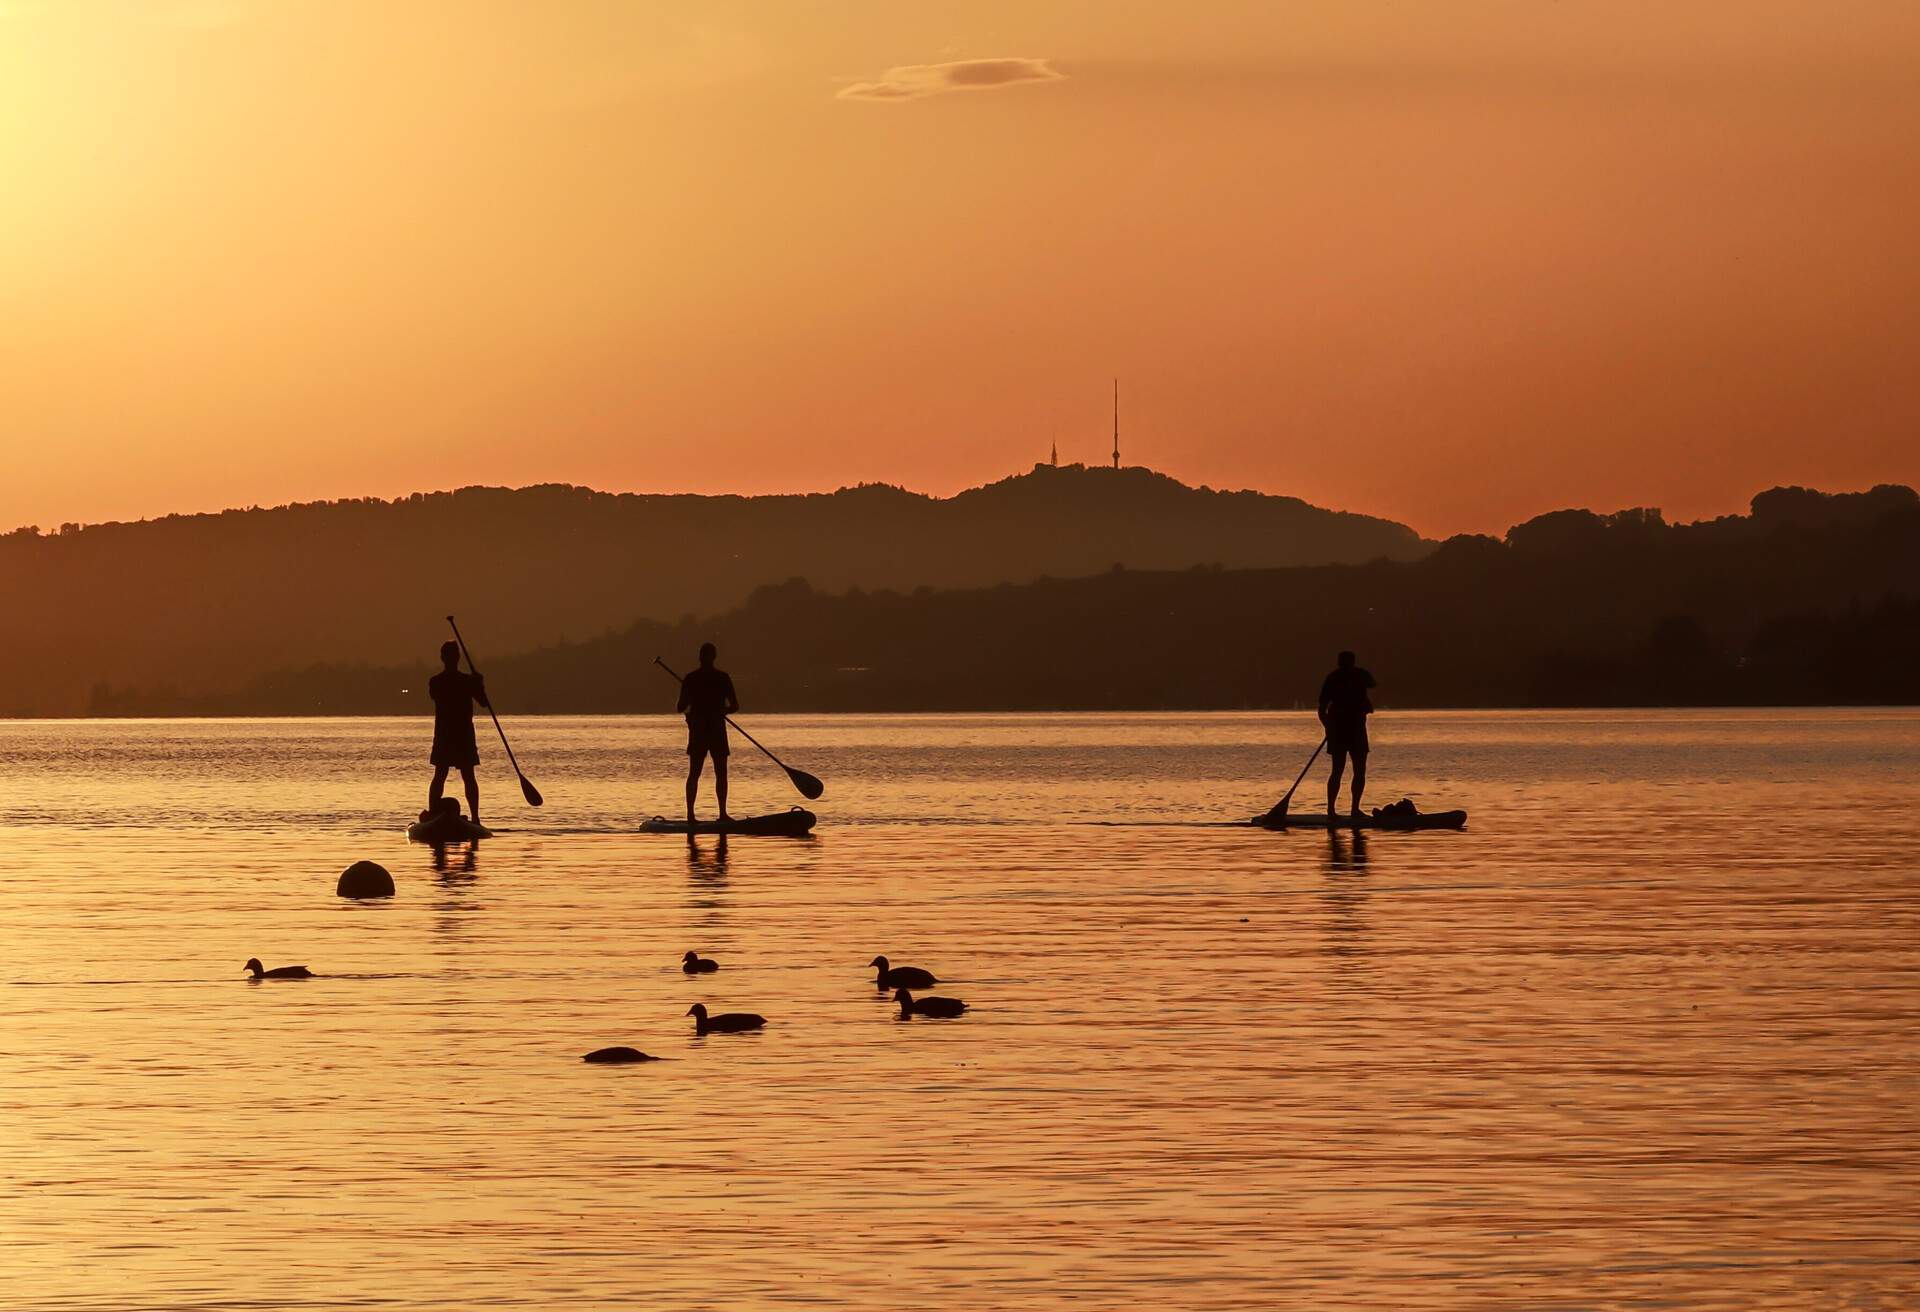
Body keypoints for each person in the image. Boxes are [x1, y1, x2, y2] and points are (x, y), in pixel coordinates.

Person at [428, 639, 489, 823]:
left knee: (464, 775)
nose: (451, 659)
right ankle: (434, 814)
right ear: (446, 658)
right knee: (442, 774)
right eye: (450, 656)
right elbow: (483, 701)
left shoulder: (464, 681)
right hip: (449, 736)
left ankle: (476, 818)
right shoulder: (438, 682)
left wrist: (479, 684)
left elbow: (484, 703)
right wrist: (477, 683)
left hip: (459, 736)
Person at [678, 642, 739, 824]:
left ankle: (705, 815)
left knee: (703, 772)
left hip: (704, 730)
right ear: (714, 657)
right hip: (711, 730)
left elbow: (680, 707)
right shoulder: (721, 678)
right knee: (709, 772)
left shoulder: (691, 679)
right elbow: (735, 705)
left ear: (701, 657)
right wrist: (724, 710)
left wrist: (723, 711)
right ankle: (708, 815)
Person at [1318, 650, 1376, 818]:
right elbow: (1322, 709)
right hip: (1342, 729)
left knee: (1353, 770)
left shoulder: (1338, 677)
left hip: (1351, 729)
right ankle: (1334, 810)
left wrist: (1327, 725)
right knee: (1342, 770)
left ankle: (1351, 810)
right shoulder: (1338, 677)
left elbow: (1322, 709)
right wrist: (1328, 726)